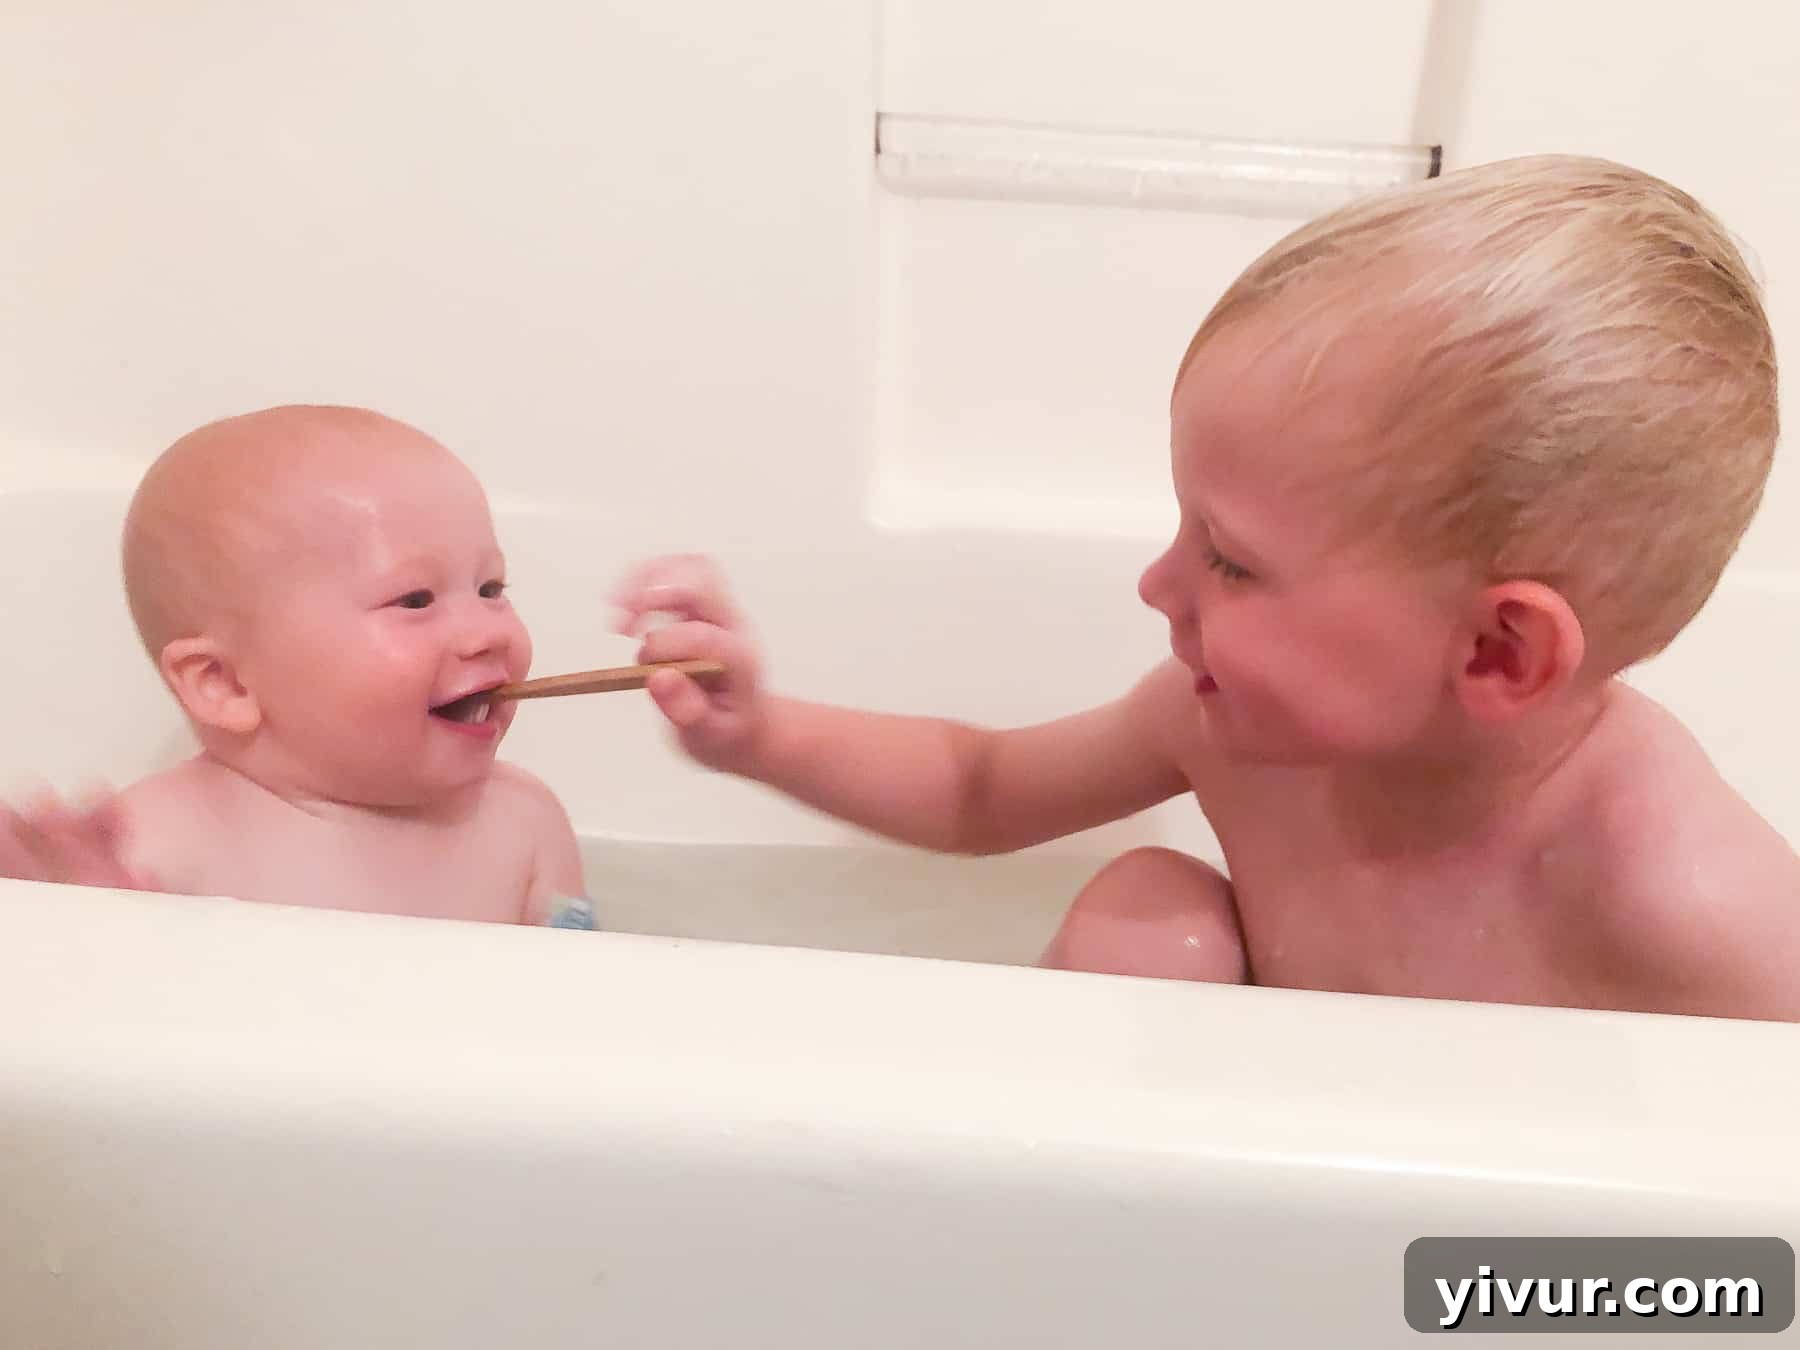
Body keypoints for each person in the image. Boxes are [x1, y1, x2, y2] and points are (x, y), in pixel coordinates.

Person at [615, 155, 1800, 1019]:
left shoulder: (1687, 899)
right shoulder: (1229, 727)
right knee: (1150, 918)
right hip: (1243, 1197)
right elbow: (980, 789)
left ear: (1497, 652)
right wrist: (758, 735)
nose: (1157, 583)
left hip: (1469, 1260)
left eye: (1229, 559)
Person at [0, 405, 591, 928]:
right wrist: (83, 929)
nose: (487, 632)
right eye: (415, 600)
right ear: (225, 683)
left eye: (491, 589)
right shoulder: (157, 845)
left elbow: (591, 990)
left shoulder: (525, 822)